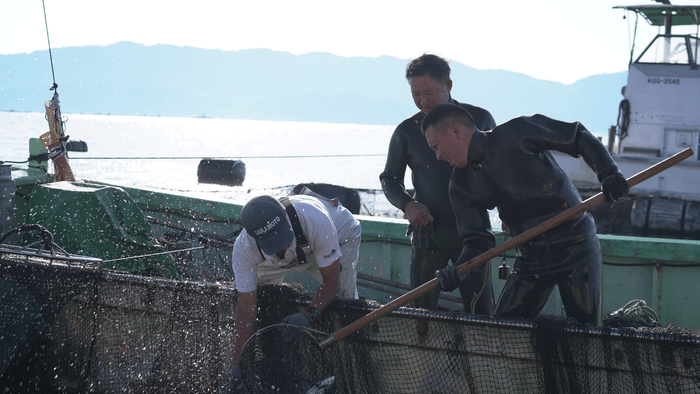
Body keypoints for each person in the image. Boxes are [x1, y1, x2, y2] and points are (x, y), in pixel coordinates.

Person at [421, 103, 629, 325]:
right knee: (502, 328)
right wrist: (459, 271)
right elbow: (477, 241)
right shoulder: (461, 185)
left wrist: (609, 173)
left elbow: (577, 136)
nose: (437, 156)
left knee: (587, 332)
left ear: (455, 131)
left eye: (435, 146)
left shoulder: (516, 132)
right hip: (531, 257)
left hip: (577, 246)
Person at [379, 53, 497, 313]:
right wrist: (407, 205)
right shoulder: (407, 131)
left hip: (473, 233)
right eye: (416, 95)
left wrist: (511, 212)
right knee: (421, 311)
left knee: (481, 312)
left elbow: (498, 173)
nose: (423, 101)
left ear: (448, 85)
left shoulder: (480, 120)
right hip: (429, 232)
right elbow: (389, 179)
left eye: (429, 93)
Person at [223, 189, 361, 390]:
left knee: (344, 303)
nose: (283, 246)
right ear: (254, 239)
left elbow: (332, 281)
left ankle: (347, 374)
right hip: (275, 261)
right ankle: (269, 366)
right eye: (274, 244)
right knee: (260, 297)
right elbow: (246, 306)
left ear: (286, 219)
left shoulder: (316, 220)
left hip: (337, 235)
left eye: (282, 238)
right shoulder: (244, 248)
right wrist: (238, 363)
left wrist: (309, 315)